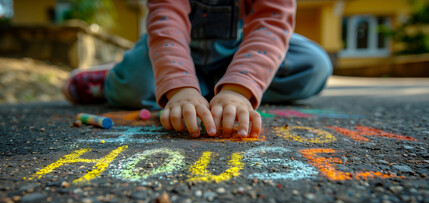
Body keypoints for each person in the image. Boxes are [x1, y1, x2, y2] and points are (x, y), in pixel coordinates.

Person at [62, 0, 332, 139]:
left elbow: (271, 24)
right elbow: (165, 21)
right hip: (177, 49)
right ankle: (113, 79)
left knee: (314, 64)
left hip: (243, 49)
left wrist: (239, 89)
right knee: (136, 82)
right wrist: (179, 88)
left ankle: (212, 88)